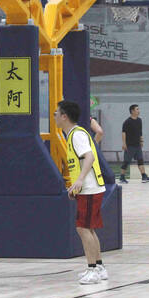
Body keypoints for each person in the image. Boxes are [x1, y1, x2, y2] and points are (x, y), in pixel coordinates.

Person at [55, 100, 107, 285]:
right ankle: (99, 267)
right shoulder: (74, 134)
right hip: (88, 188)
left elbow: (89, 157)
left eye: (56, 113)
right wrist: (75, 185)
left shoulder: (76, 135)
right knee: (89, 228)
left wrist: (79, 181)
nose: (54, 117)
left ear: (64, 116)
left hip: (90, 189)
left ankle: (92, 270)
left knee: (82, 228)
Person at [120, 105, 149, 183]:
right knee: (126, 161)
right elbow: (123, 133)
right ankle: (122, 177)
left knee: (140, 160)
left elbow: (140, 132)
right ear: (132, 111)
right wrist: (124, 143)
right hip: (129, 145)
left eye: (138, 109)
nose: (139, 111)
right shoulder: (127, 122)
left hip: (137, 145)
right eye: (137, 109)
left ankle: (144, 177)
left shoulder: (139, 120)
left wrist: (141, 141)